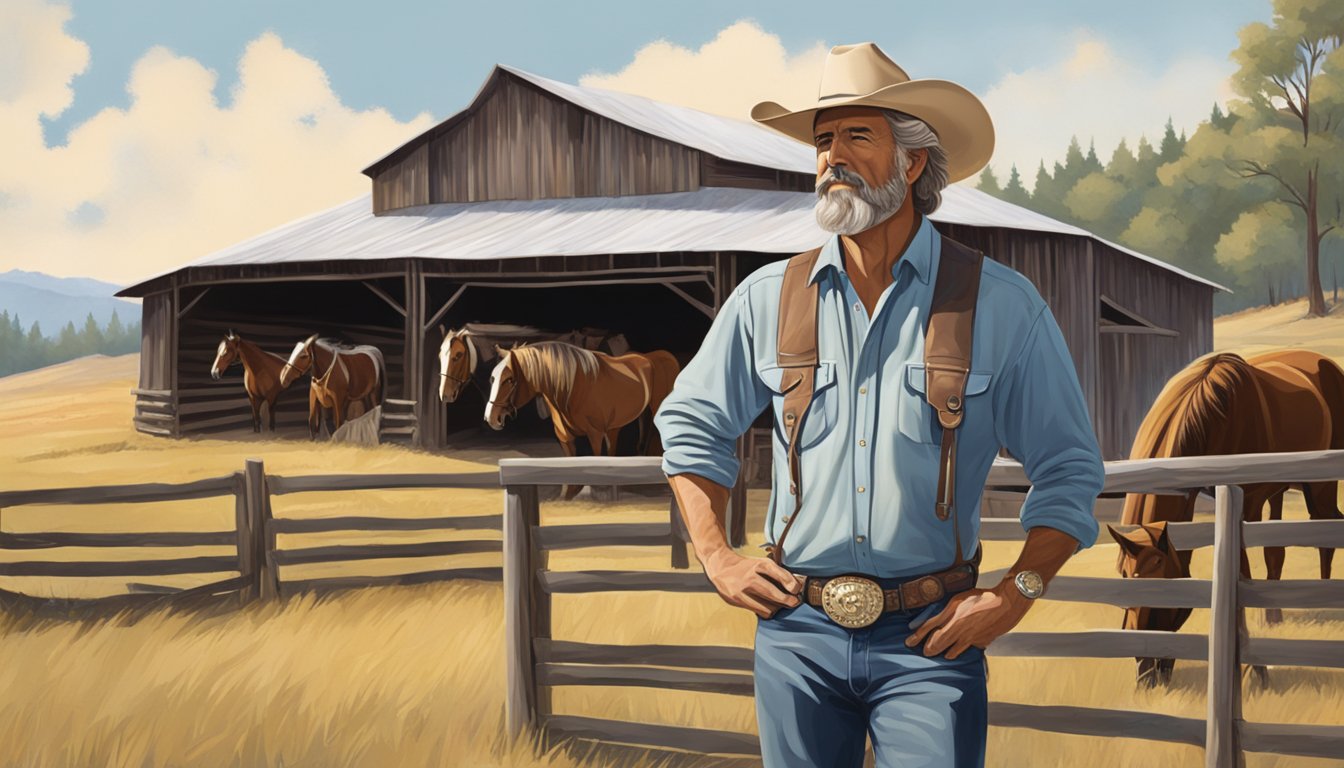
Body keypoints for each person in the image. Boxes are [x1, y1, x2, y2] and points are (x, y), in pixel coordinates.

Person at [653, 43, 1105, 767]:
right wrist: (716, 558)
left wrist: (1014, 595)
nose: (832, 157)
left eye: (857, 136)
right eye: (823, 140)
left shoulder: (1001, 304)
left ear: (913, 162)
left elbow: (1071, 467)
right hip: (795, 635)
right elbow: (690, 428)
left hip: (933, 637)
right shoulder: (765, 302)